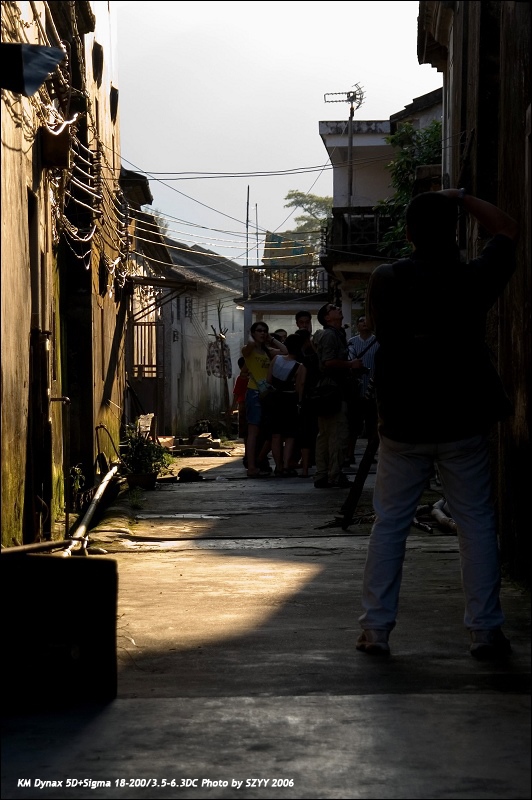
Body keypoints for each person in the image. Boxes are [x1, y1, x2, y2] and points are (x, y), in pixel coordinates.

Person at [357, 188, 519, 659]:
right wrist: (464, 197)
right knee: (476, 523)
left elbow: (382, 333)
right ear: (455, 233)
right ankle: (485, 631)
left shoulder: (386, 279)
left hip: (403, 421)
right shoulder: (473, 278)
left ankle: (376, 630)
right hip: (462, 419)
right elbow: (507, 228)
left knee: (390, 525)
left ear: (408, 234)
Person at [313, 302, 364, 488]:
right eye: (333, 308)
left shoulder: (336, 334)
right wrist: (351, 365)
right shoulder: (330, 335)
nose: (338, 309)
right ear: (327, 317)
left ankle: (323, 474)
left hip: (329, 390)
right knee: (337, 434)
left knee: (326, 435)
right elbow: (328, 362)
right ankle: (333, 474)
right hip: (333, 391)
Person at [241, 322, 287, 478]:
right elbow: (250, 345)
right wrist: (252, 336)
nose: (262, 333)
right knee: (253, 431)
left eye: (265, 331)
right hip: (254, 391)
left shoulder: (268, 351)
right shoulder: (248, 350)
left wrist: (271, 339)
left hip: (267, 393)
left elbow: (285, 351)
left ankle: (260, 460)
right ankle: (251, 466)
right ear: (253, 333)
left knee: (268, 431)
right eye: (259, 331)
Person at [266, 334, 307, 477]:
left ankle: (278, 466)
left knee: (275, 435)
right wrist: (300, 402)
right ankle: (286, 465)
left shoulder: (276, 359)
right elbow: (300, 387)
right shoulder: (300, 367)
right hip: (290, 400)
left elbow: (268, 380)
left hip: (274, 399)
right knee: (290, 435)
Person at [346, 315, 379, 464]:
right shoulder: (352, 342)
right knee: (353, 425)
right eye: (361, 320)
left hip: (373, 391)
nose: (364, 322)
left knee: (372, 425)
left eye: (366, 320)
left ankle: (370, 454)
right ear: (357, 325)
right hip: (356, 391)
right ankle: (349, 453)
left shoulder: (378, 342)